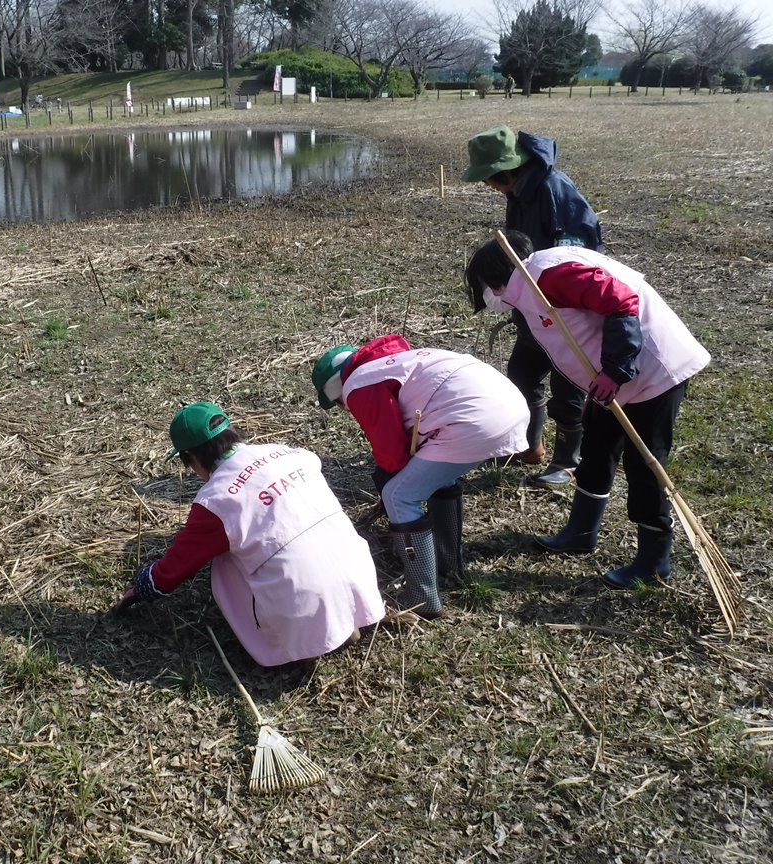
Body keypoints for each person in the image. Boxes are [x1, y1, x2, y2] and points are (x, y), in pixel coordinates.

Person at [464, 231, 711, 589]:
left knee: (644, 463)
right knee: (596, 449)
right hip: (612, 380)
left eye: (487, 284)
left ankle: (654, 559)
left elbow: (621, 300)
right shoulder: (534, 284)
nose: (489, 295)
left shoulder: (550, 276)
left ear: (498, 276)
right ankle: (581, 531)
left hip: (652, 370)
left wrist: (614, 370)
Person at [113, 402, 385, 666]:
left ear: (191, 458)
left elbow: (175, 568)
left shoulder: (216, 501)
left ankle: (300, 644)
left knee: (224, 561)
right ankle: (341, 619)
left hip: (302, 601)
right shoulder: (291, 453)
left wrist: (142, 587)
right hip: (360, 573)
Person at [313, 336, 529, 618]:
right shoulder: (395, 361)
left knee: (399, 495)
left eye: (339, 404)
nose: (345, 408)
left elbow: (392, 455)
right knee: (436, 475)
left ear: (336, 390)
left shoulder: (359, 382)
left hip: (473, 420)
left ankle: (421, 596)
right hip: (509, 405)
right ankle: (448, 562)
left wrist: (390, 479)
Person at [462, 126, 604, 489]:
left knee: (568, 382)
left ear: (505, 171)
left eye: (488, 179)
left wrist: (558, 295)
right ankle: (530, 445)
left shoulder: (555, 191)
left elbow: (580, 250)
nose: (487, 186)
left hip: (564, 307)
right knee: (523, 374)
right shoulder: (519, 191)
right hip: (532, 303)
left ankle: (568, 459)